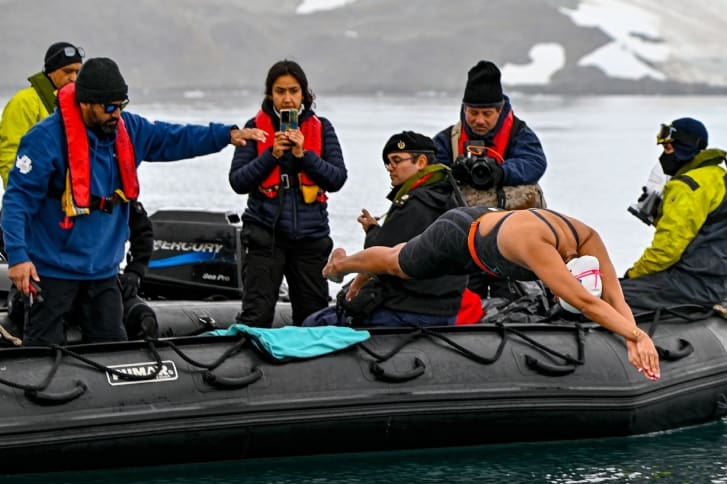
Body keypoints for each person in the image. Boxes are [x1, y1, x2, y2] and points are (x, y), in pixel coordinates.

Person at [1, 57, 266, 346]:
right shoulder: (44, 139)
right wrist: (17, 256)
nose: (117, 114)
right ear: (86, 103)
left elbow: (175, 137)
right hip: (51, 273)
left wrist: (225, 135)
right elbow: (17, 201)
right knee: (43, 354)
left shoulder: (128, 129)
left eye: (121, 105)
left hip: (102, 273)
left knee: (113, 350)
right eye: (109, 107)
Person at [322, 206, 661, 381]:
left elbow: (615, 299)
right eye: (561, 296)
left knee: (402, 254)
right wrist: (634, 334)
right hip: (458, 237)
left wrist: (635, 339)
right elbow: (587, 302)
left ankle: (364, 267)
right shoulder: (539, 249)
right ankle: (342, 264)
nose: (557, 299)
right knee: (399, 262)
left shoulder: (589, 240)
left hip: (486, 232)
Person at [303, 131, 467, 327]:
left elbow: (381, 257)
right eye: (388, 163)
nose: (390, 168)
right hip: (444, 309)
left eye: (396, 161)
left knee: (314, 323)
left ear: (421, 162)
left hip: (408, 310)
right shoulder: (451, 198)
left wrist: (350, 269)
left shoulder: (416, 204)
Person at [229, 59, 347, 327]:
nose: (287, 98)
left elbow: (337, 178)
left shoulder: (322, 127)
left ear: (303, 94)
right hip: (265, 235)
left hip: (310, 238)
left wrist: (303, 155)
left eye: (293, 91)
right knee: (256, 315)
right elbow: (237, 181)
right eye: (280, 91)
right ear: (270, 94)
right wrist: (272, 155)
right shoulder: (254, 128)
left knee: (312, 316)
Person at [434, 60, 548, 299]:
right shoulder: (448, 139)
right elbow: (431, 171)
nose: (479, 120)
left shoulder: (520, 133)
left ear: (500, 110)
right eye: (473, 113)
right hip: (465, 238)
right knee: (467, 291)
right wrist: (453, 172)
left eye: (487, 114)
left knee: (510, 292)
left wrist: (501, 171)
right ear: (464, 109)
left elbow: (536, 163)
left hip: (510, 235)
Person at [622, 117, 727, 313]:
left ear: (684, 148)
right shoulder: (720, 176)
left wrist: (632, 275)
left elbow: (666, 250)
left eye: (668, 149)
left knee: (609, 297)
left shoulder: (685, 188)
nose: (663, 157)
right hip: (723, 282)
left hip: (690, 284)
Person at [0, 42, 84, 189]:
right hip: (33, 199)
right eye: (67, 71)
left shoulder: (79, 104)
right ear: (50, 71)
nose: (73, 78)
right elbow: (11, 154)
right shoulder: (24, 101)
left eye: (77, 72)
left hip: (69, 202)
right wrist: (20, 199)